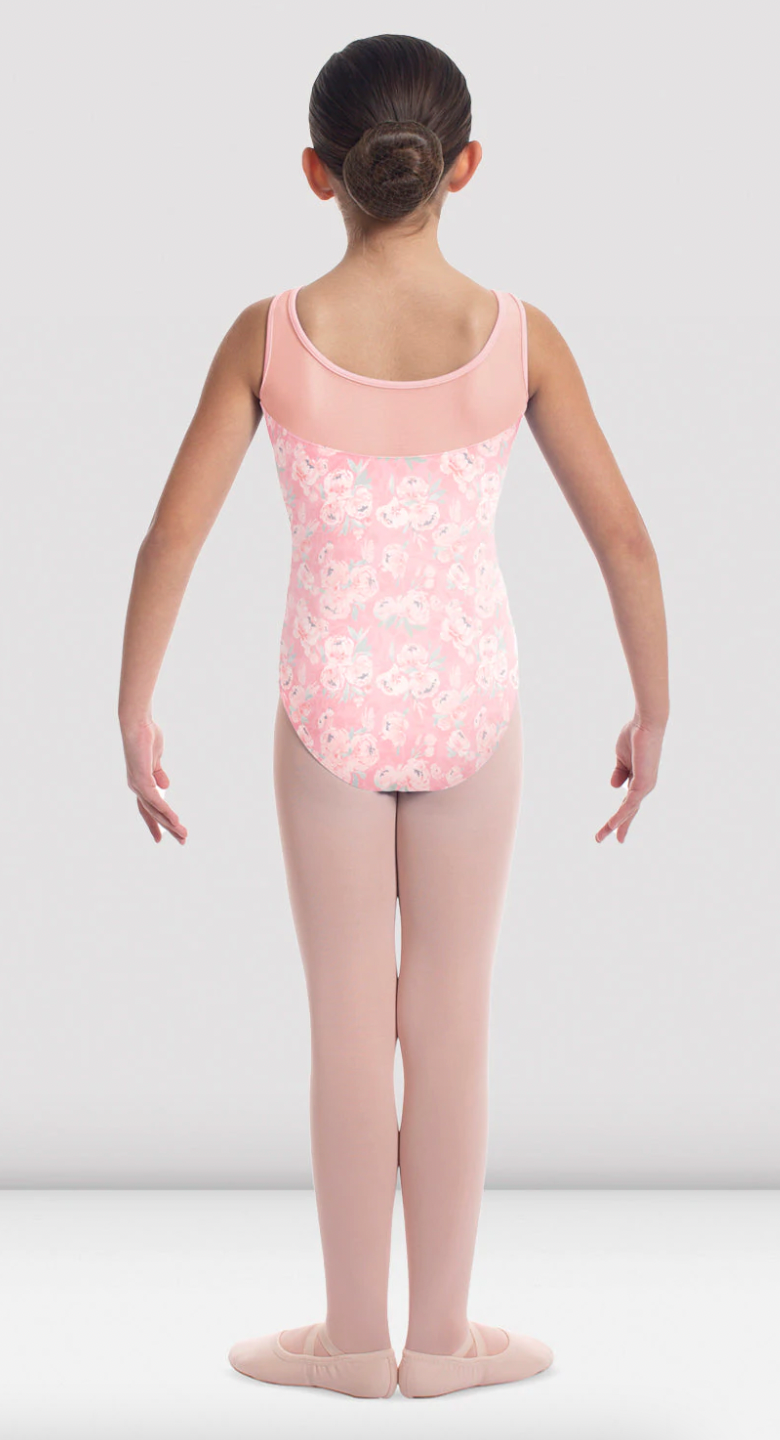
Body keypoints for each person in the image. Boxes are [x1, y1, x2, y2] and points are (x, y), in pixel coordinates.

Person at [117, 33, 669, 1402]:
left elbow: (172, 535)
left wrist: (135, 706)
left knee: (349, 1027)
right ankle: (447, 1340)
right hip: (474, 698)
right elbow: (625, 539)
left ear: (319, 173)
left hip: (329, 707)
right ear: (464, 166)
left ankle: (353, 1341)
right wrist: (652, 710)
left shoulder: (271, 335)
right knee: (455, 1019)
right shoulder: (520, 336)